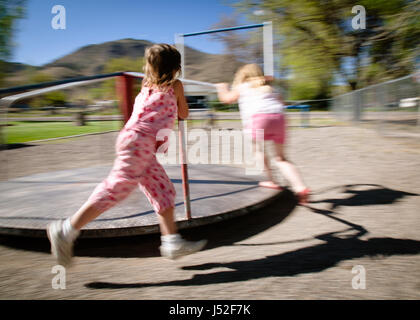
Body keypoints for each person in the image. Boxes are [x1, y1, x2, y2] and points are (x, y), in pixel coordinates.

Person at [47, 44, 206, 267]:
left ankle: (171, 241)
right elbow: (184, 113)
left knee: (163, 190)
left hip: (135, 140)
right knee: (117, 188)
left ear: (150, 66)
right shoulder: (175, 85)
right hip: (140, 142)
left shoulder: (146, 84)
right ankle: (66, 230)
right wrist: (180, 100)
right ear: (176, 68)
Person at [216, 64, 310, 204]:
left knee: (258, 151)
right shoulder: (271, 88)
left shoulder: (243, 86)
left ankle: (271, 180)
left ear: (242, 76)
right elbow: (282, 103)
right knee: (281, 158)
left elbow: (226, 99)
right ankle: (299, 186)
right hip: (279, 118)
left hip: (258, 119)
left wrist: (221, 88)